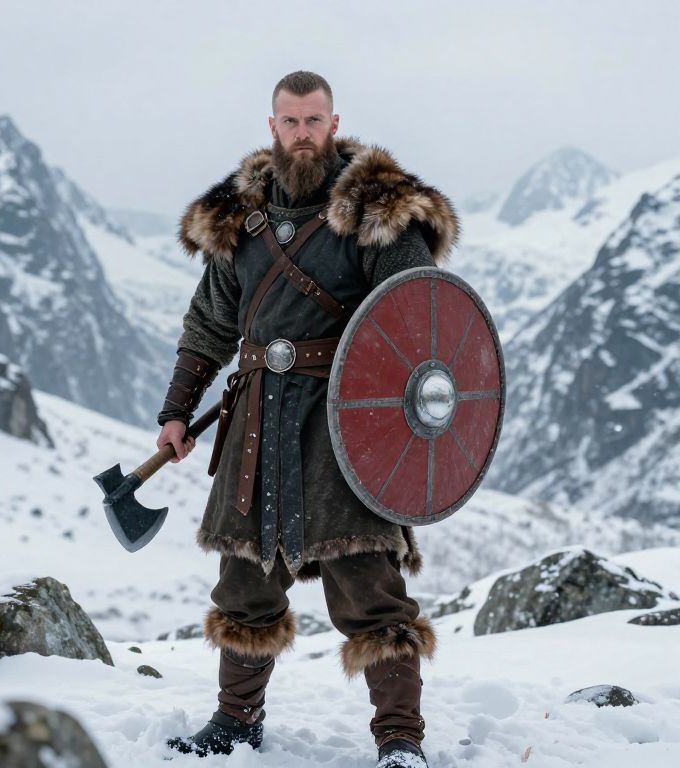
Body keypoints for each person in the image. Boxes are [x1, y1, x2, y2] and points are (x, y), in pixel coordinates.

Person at [157, 71, 459, 768]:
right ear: (272, 127)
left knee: (369, 582)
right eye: (290, 121)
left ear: (334, 123)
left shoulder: (375, 211)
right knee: (245, 579)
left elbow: (418, 319)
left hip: (344, 420)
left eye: (313, 120)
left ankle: (400, 740)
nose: (302, 134)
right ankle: (235, 723)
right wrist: (177, 412)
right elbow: (209, 325)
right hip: (257, 417)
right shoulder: (242, 219)